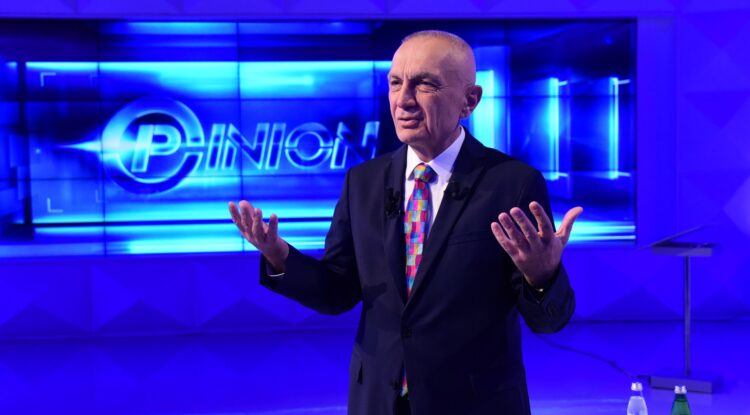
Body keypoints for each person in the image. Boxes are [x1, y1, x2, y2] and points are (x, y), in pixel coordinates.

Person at [229, 30, 582, 415]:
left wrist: (542, 277)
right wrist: (280, 257)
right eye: (395, 83)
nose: (403, 99)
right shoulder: (363, 182)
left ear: (469, 100)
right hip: (378, 401)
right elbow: (337, 292)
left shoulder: (512, 184)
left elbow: (549, 322)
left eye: (425, 84)